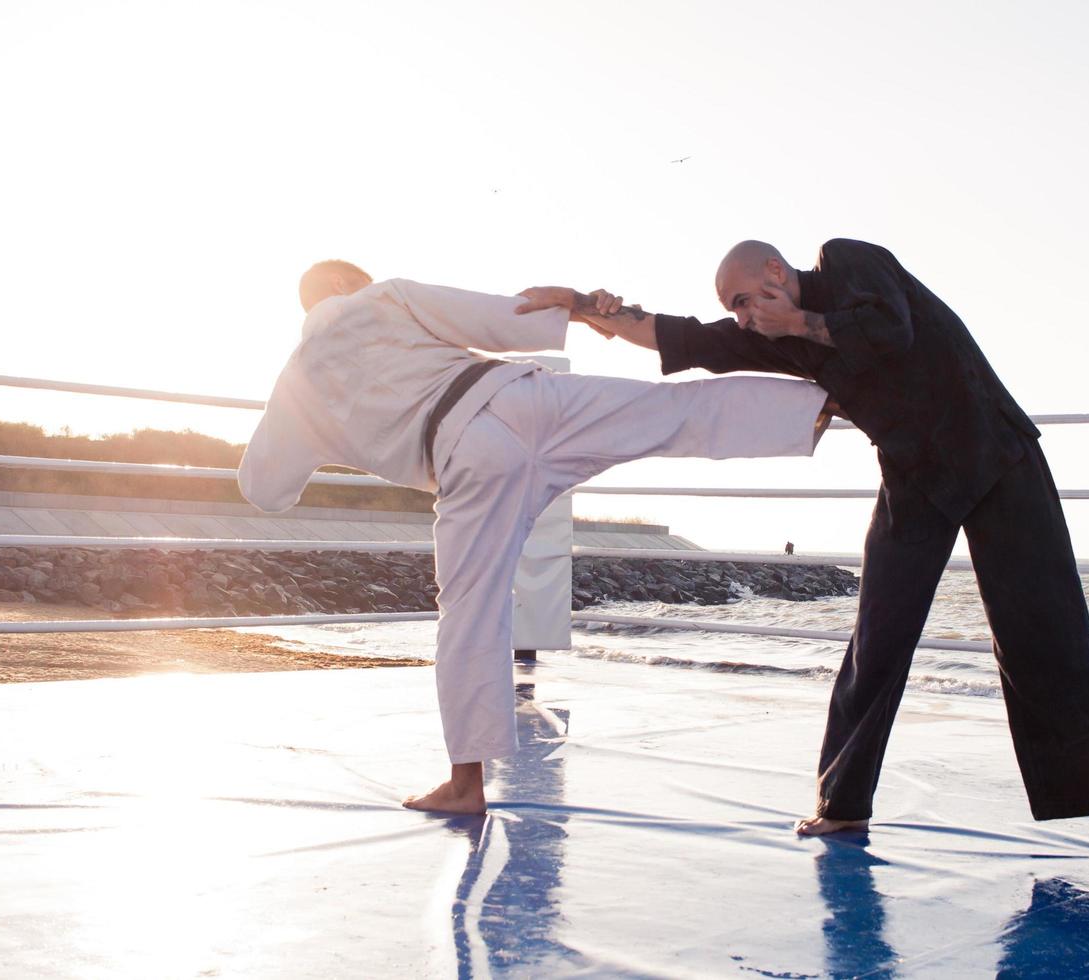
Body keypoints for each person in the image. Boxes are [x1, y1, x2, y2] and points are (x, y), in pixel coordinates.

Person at [520, 239, 1089, 860]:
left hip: (996, 453)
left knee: (1044, 633)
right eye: (733, 308)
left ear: (774, 271)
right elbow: (688, 339)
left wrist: (795, 321)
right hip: (914, 476)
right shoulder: (774, 335)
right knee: (877, 636)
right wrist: (581, 306)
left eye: (743, 300)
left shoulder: (844, 261)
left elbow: (890, 330)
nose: (741, 316)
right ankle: (842, 807)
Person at [238, 260, 833, 814]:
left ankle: (465, 784)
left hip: (461, 461)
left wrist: (326, 433)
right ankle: (822, 404)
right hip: (523, 400)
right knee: (669, 413)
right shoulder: (381, 296)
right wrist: (577, 309)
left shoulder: (295, 385)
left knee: (469, 612)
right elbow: (498, 320)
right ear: (346, 283)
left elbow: (264, 489)